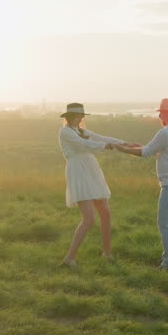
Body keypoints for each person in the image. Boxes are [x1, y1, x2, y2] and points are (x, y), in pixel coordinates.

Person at [114, 98, 168, 269]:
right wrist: (141, 147)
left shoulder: (166, 132)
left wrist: (122, 149)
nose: (160, 116)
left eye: (161, 113)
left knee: (165, 223)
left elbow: (145, 153)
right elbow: (161, 150)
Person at [57, 102, 129, 268]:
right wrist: (108, 146)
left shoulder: (81, 131)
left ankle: (107, 254)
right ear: (69, 117)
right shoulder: (65, 132)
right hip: (78, 171)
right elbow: (85, 144)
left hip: (91, 169)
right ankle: (69, 258)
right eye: (78, 116)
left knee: (105, 213)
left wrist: (123, 143)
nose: (81, 118)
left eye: (82, 116)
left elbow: (99, 137)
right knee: (89, 219)